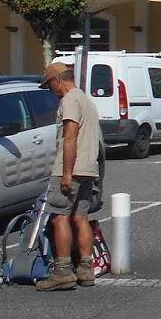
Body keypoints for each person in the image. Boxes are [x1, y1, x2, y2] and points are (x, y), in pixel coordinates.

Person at [33, 60, 105, 292]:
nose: (51, 91)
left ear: (57, 80)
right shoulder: (86, 99)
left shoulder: (70, 100)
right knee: (80, 217)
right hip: (88, 168)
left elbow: (70, 137)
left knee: (59, 217)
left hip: (71, 168)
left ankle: (62, 271)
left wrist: (65, 173)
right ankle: (86, 269)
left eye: (50, 85)